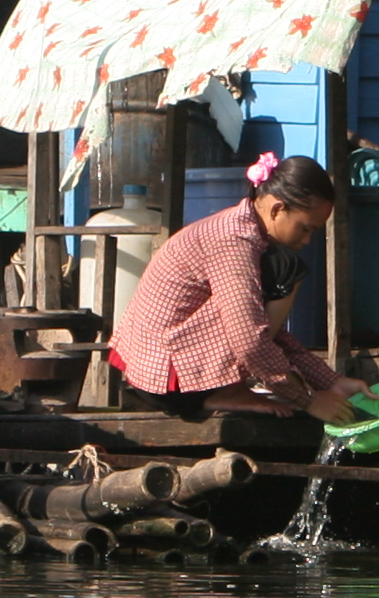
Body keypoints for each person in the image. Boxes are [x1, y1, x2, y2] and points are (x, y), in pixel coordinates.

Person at [108, 154, 361, 422]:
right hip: (168, 382)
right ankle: (226, 390)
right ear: (276, 209)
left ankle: (228, 388)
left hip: (159, 373)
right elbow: (250, 340)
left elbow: (264, 332)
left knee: (277, 270)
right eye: (305, 229)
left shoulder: (244, 228)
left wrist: (329, 381)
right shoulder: (234, 241)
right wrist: (309, 400)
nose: (308, 240)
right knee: (286, 269)